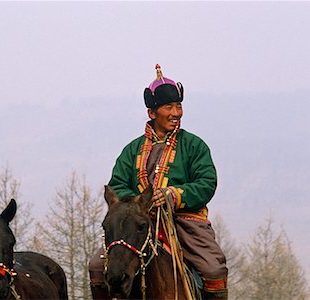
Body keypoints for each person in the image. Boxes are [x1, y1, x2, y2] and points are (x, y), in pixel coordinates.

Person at [89, 64, 228, 300]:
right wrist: (139, 202)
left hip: (184, 222)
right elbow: (117, 185)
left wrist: (172, 194)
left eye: (178, 106)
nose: (176, 113)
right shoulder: (132, 150)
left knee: (213, 270)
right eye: (168, 107)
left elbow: (206, 182)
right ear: (152, 113)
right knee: (96, 266)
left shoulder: (194, 146)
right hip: (136, 225)